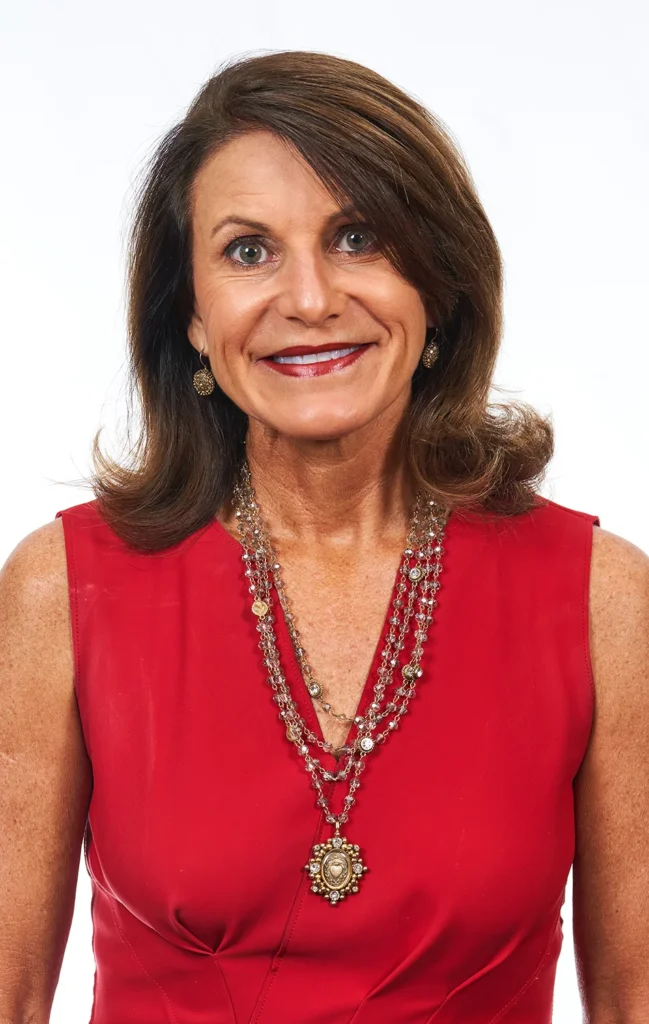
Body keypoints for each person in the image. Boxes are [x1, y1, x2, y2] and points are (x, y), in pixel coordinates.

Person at [1, 49, 648, 1024]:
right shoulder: (62, 591)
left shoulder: (602, 601)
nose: (308, 299)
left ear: (438, 283)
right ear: (187, 313)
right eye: (247, 251)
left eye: (356, 237)